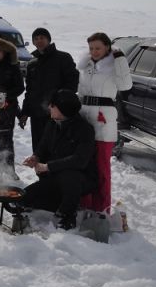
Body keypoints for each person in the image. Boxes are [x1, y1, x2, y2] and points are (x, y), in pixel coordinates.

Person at [21, 89, 98, 230]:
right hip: (54, 178)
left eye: (53, 105)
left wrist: (47, 166)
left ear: (63, 109)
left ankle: (67, 216)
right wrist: (36, 157)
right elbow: (43, 146)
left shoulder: (84, 130)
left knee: (70, 175)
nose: (49, 107)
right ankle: (56, 204)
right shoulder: (52, 123)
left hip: (79, 180)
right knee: (24, 198)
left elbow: (80, 161)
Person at [76, 32, 132, 213]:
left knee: (101, 167)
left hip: (104, 121)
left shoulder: (115, 66)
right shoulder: (86, 66)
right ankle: (85, 203)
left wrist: (121, 60)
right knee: (83, 163)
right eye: (91, 48)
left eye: (98, 48)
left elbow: (125, 86)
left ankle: (101, 208)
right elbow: (80, 93)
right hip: (84, 119)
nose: (94, 51)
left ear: (107, 47)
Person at [19, 28, 79, 151]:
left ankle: (53, 170)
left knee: (56, 148)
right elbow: (30, 91)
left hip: (57, 114)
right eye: (36, 38)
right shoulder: (32, 63)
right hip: (37, 115)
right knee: (39, 148)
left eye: (42, 37)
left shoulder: (63, 58)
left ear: (48, 39)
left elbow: (72, 84)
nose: (39, 40)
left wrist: (61, 104)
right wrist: (25, 112)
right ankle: (40, 170)